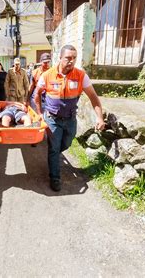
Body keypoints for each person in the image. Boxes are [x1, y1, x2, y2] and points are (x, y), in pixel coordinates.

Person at [34, 45, 105, 192]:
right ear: (59, 58)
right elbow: (37, 94)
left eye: (74, 58)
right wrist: (40, 113)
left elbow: (93, 97)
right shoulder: (47, 75)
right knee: (54, 148)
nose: (71, 61)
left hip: (70, 119)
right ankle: (55, 177)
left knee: (67, 142)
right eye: (68, 58)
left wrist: (100, 118)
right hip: (52, 119)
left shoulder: (80, 75)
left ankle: (53, 156)